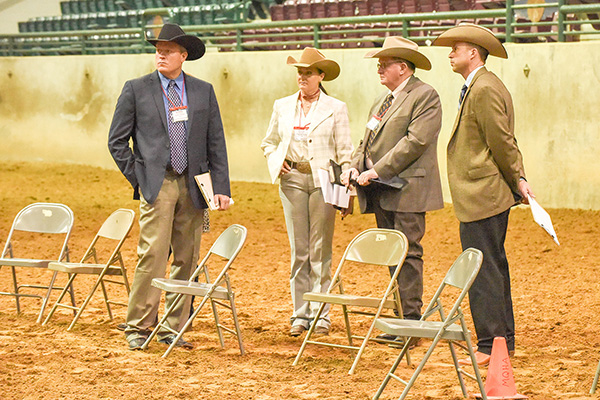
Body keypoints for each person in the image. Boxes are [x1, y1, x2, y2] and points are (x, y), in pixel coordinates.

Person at [108, 23, 231, 351]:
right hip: (157, 181)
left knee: (187, 257)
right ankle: (139, 325)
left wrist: (221, 186)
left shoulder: (203, 91)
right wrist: (140, 177)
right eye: (158, 48)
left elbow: (215, 141)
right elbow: (117, 141)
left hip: (194, 183)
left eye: (168, 49)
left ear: (183, 55)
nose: (161, 54)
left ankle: (173, 328)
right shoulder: (136, 88)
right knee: (152, 253)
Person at [432, 23, 535, 366]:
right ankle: (502, 340)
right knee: (492, 265)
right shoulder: (480, 85)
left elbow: (502, 141)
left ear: (473, 53)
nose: (450, 54)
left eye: (455, 49)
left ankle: (491, 343)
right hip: (483, 192)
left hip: (483, 193)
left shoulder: (483, 88)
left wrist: (518, 178)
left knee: (483, 268)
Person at [340, 37, 443, 329]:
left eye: (385, 63)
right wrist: (353, 165)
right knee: (392, 253)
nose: (379, 68)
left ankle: (410, 320)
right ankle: (401, 319)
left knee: (408, 253)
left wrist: (376, 171)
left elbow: (415, 142)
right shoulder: (382, 100)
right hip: (383, 188)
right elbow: (366, 140)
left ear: (403, 67)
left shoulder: (425, 95)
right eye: (379, 63)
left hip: (408, 188)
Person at [261, 47, 354, 337]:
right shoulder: (282, 105)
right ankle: (300, 314)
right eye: (300, 72)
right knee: (299, 250)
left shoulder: (336, 108)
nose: (302, 77)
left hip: (323, 181)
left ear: (320, 76)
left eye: (308, 73)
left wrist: (347, 189)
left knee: (320, 249)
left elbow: (345, 151)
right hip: (292, 180)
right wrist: (278, 161)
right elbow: (268, 142)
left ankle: (321, 314)